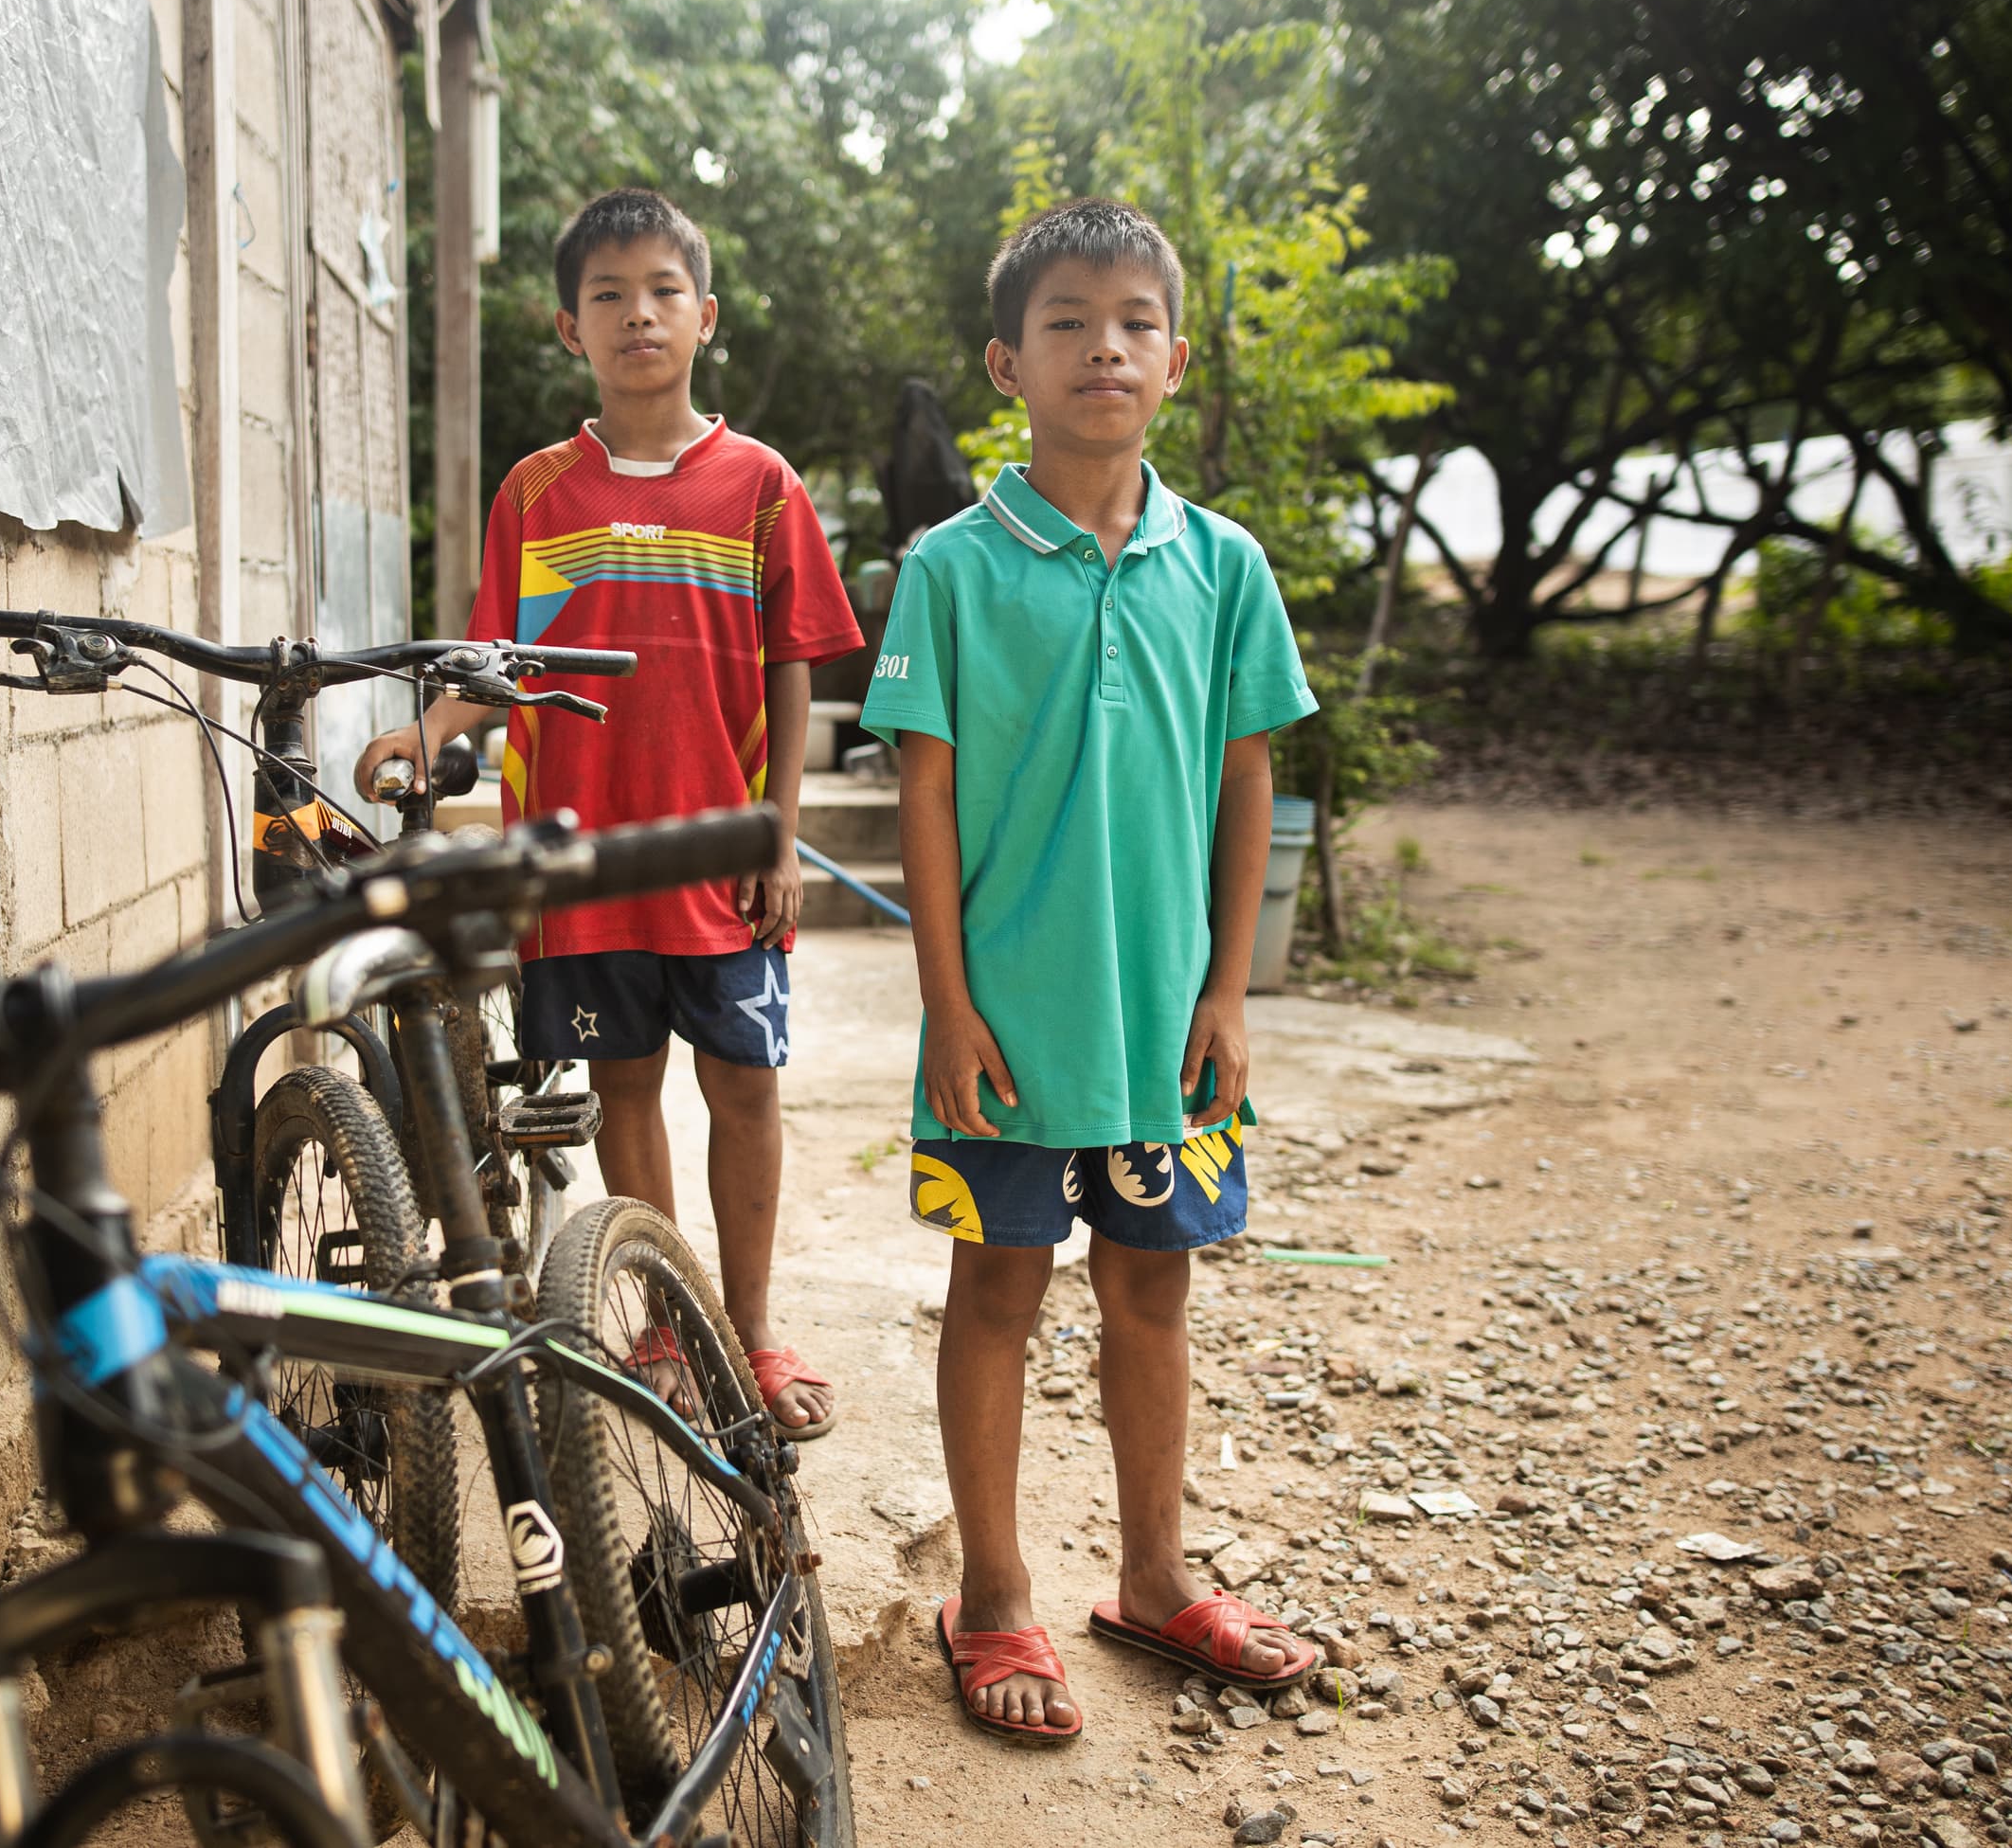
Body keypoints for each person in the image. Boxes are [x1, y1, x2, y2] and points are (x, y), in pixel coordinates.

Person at [859, 198, 1321, 1744]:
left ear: (1176, 359)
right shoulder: (952, 568)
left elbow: (1248, 774)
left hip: (1163, 1028)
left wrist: (1229, 989)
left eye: (1132, 321)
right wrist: (947, 1000)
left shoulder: (1225, 564)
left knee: (1151, 1286)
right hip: (1004, 1025)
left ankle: (1154, 1574)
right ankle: (992, 1592)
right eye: (1066, 321)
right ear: (1009, 362)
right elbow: (922, 789)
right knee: (995, 1285)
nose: (1101, 346)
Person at [360, 187, 861, 1441]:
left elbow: (794, 661)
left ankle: (747, 1327)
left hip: (723, 865)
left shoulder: (760, 484)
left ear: (704, 315)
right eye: (608, 295)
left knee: (744, 1084)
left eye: (661, 291)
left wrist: (776, 831)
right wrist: (427, 734)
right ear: (569, 325)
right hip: (581, 866)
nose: (638, 314)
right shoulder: (536, 493)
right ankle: (668, 1325)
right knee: (627, 1087)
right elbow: (502, 664)